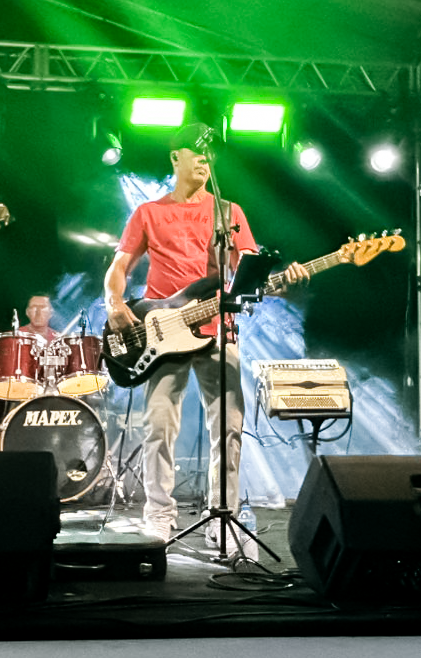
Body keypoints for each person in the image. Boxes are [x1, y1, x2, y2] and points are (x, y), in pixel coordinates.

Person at [104, 123, 306, 544]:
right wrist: (115, 303)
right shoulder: (148, 213)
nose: (203, 158)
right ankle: (158, 513)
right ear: (174, 158)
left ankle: (223, 516)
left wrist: (283, 279)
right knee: (159, 426)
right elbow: (119, 266)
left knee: (230, 427)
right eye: (194, 151)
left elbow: (249, 274)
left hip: (218, 330)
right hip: (160, 330)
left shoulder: (228, 213)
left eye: (208, 153)